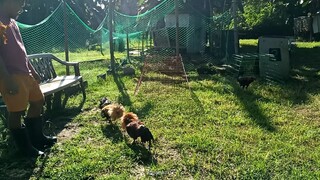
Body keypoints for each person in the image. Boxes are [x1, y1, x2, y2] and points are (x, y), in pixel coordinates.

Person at [0, 0, 57, 157]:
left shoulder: (13, 22)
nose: (22, 8)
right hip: (11, 75)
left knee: (38, 101)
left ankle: (37, 138)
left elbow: (21, 51)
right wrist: (6, 78)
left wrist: (32, 69)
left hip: (26, 73)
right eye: (20, 4)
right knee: (16, 112)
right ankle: (25, 149)